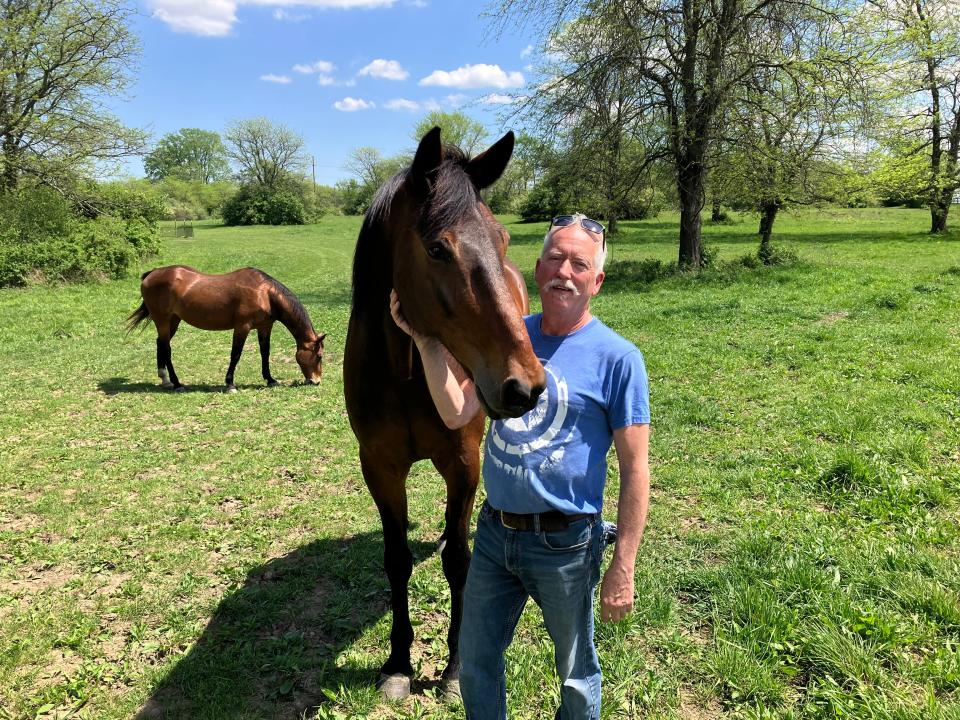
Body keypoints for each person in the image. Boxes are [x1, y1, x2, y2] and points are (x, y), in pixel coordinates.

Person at [390, 213, 650, 720]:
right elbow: (456, 411)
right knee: (479, 662)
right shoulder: (511, 338)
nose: (564, 271)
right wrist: (425, 341)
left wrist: (624, 565)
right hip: (494, 534)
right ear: (535, 268)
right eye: (555, 258)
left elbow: (635, 467)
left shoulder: (618, 358)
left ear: (596, 280)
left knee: (576, 673)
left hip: (566, 543)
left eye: (580, 263)